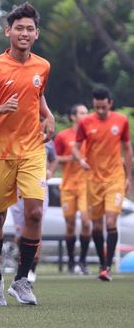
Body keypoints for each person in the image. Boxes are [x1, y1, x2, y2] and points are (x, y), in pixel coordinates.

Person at [0, 2, 54, 306]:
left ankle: (21, 280)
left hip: (32, 150)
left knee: (34, 212)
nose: (24, 33)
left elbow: (38, 93)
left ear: (36, 34)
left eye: (30, 29)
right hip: (1, 152)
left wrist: (49, 115)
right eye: (19, 28)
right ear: (8, 31)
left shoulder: (42, 66)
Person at [72, 87, 132, 282]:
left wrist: (128, 177)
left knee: (111, 222)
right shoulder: (85, 122)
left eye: (103, 107)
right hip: (93, 180)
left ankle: (106, 267)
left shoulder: (121, 121)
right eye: (97, 107)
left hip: (115, 177)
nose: (100, 111)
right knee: (96, 227)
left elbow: (127, 149)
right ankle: (101, 263)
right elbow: (76, 146)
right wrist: (80, 160)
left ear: (110, 104)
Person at [8, 140, 57, 282]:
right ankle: (23, 264)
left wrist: (50, 171)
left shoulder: (46, 139)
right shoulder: (16, 135)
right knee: (20, 234)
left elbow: (54, 159)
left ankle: (31, 270)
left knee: (36, 224)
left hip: (38, 185)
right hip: (17, 188)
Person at [54, 104, 91, 274]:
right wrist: (73, 157)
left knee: (86, 222)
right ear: (73, 117)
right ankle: (71, 261)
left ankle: (83, 261)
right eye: (82, 113)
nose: (86, 115)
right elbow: (55, 158)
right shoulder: (63, 136)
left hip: (86, 185)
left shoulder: (91, 135)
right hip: (68, 185)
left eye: (86, 112)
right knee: (70, 225)